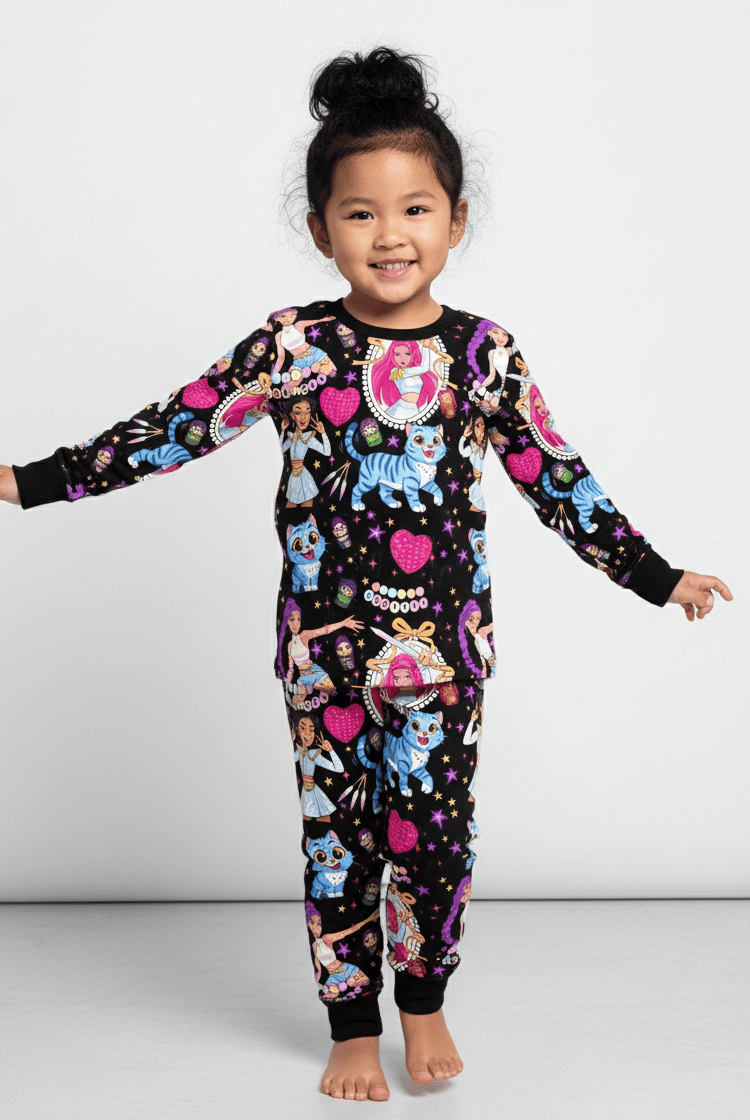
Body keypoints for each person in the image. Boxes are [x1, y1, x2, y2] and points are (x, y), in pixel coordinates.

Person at [0, 45, 733, 1104]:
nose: (390, 234)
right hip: (324, 658)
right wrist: (32, 481)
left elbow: (558, 478)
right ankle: (351, 1024)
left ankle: (424, 1004)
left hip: (443, 660)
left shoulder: (484, 356)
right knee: (338, 842)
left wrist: (657, 576)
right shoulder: (290, 347)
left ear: (456, 221)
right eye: (360, 213)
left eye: (415, 209)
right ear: (320, 230)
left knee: (434, 843)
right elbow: (174, 427)